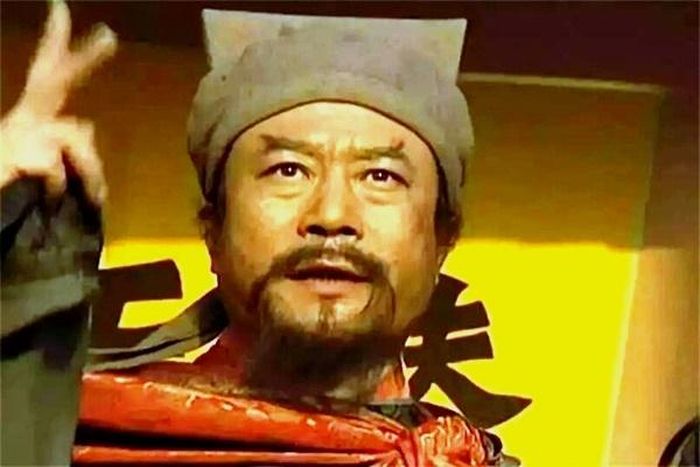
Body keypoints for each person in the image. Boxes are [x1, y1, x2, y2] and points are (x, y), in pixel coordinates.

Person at [1, 2, 517, 465]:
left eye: (381, 176)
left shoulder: (456, 459)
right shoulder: (81, 435)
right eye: (288, 171)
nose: (332, 213)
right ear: (213, 233)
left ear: (442, 240)